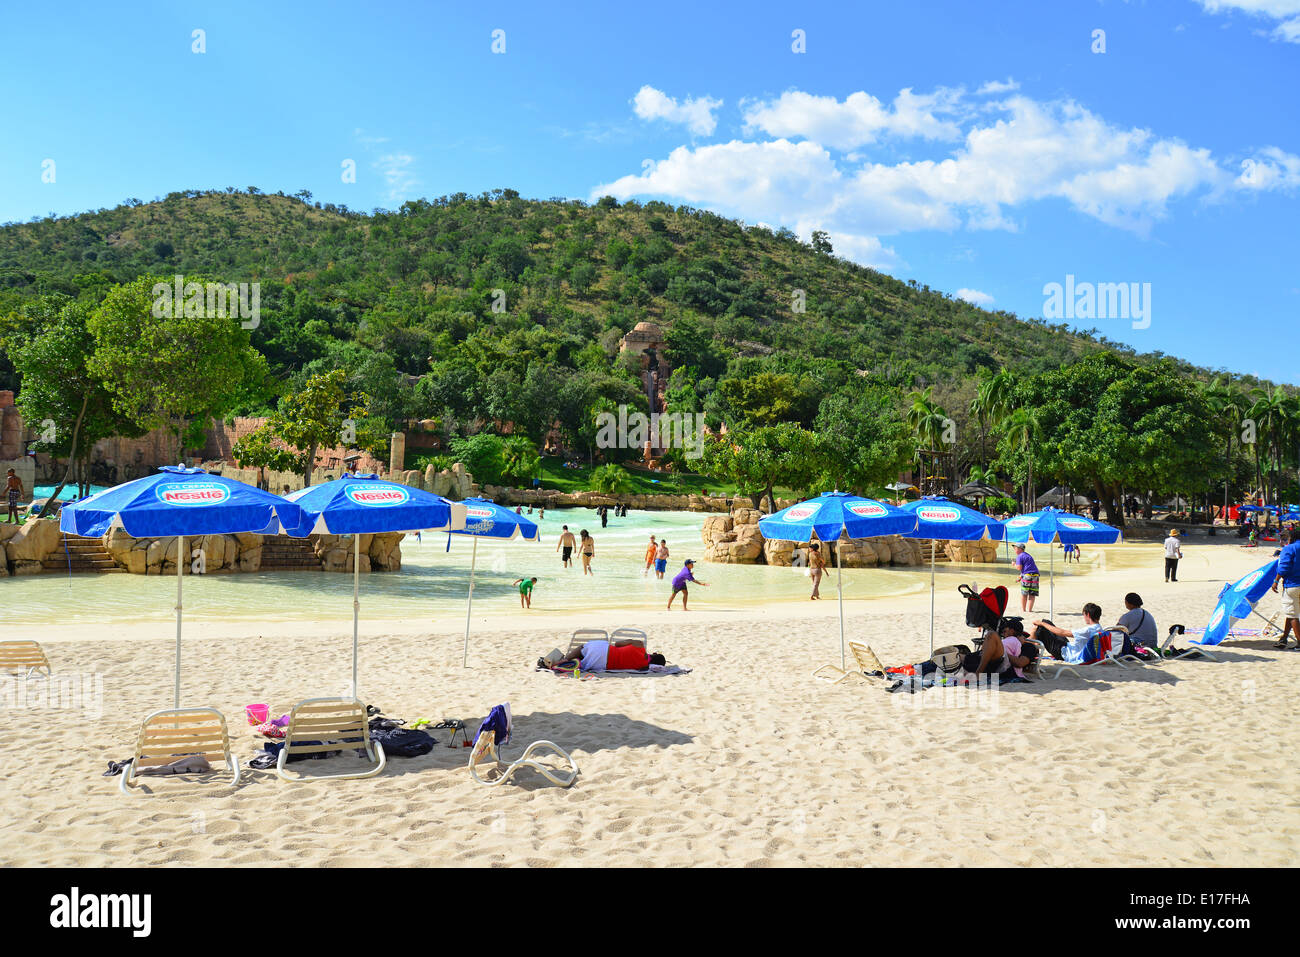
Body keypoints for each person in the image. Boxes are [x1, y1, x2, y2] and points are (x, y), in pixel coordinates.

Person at [1033, 603, 1104, 663]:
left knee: (1041, 628)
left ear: (1088, 615)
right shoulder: (1100, 629)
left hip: (1065, 654)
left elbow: (1062, 632)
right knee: (1046, 622)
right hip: (1069, 647)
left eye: (1083, 614)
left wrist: (1042, 624)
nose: (1084, 617)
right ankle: (1034, 647)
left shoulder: (1087, 630)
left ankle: (1033, 651)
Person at [549, 639, 666, 672]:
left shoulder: (639, 645)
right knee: (584, 657)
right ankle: (572, 662)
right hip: (600, 665)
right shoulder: (643, 667)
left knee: (583, 647)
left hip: (605, 650)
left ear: (654, 653)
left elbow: (617, 644)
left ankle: (565, 659)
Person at [1271, 527, 1300, 650]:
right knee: (1291, 612)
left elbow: (1283, 568)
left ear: (1291, 538)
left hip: (1292, 585)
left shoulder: (1289, 548)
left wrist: (1276, 581)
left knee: (1292, 614)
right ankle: (1284, 638)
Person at [1012, 543, 1040, 612]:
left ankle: (1024, 610)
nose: (1014, 550)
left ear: (1020, 549)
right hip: (1035, 575)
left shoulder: (1019, 556)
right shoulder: (1028, 555)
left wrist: (1014, 564)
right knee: (1032, 594)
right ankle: (1030, 610)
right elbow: (1028, 568)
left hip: (1027, 576)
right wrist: (1020, 577)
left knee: (1024, 594)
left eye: (1015, 548)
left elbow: (1019, 568)